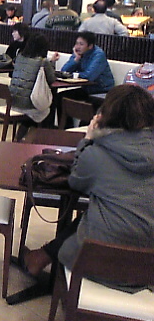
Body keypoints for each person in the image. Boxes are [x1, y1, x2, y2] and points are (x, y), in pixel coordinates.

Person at [21, 85, 154, 281]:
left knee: (99, 219)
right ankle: (40, 257)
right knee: (103, 213)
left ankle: (44, 263)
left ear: (107, 115)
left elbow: (76, 182)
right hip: (148, 265)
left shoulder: (97, 153)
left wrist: (88, 138)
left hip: (101, 260)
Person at [9, 34, 57, 140]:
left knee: (36, 109)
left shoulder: (19, 57)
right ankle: (40, 138)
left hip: (13, 101)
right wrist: (52, 62)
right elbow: (52, 79)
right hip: (29, 104)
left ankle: (20, 137)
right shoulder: (43, 61)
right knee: (46, 108)